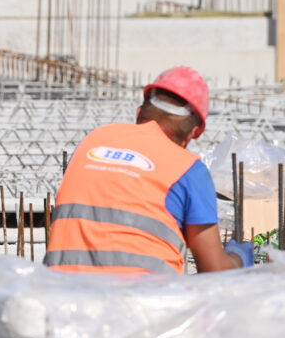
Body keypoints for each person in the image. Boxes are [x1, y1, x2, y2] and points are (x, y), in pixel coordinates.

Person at [44, 66, 254, 274]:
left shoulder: (92, 142)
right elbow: (214, 270)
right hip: (140, 301)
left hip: (62, 295)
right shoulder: (188, 169)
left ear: (139, 113)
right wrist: (239, 257)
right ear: (192, 133)